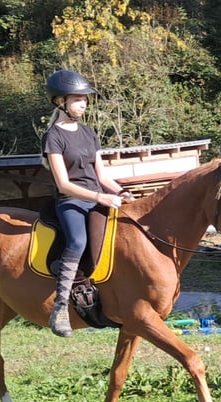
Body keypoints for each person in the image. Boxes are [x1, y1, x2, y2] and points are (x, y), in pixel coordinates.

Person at [41, 69, 134, 337]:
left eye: (85, 99)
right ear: (61, 102)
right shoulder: (53, 136)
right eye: (78, 99)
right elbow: (63, 184)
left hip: (97, 195)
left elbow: (102, 175)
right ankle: (60, 308)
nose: (84, 103)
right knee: (78, 242)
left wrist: (122, 192)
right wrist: (99, 197)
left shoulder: (89, 133)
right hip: (71, 201)